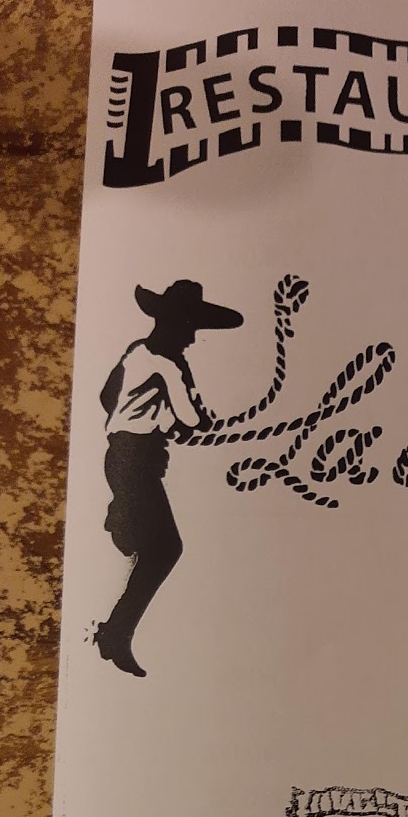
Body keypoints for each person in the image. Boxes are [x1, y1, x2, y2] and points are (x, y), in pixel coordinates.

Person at [95, 279, 243, 677]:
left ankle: (116, 630)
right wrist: (180, 422)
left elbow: (106, 397)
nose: (192, 338)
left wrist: (146, 415)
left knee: (156, 547)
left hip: (121, 455)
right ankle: (115, 633)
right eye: (190, 328)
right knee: (165, 550)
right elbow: (193, 419)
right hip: (138, 460)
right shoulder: (169, 364)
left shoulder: (135, 352)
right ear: (175, 325)